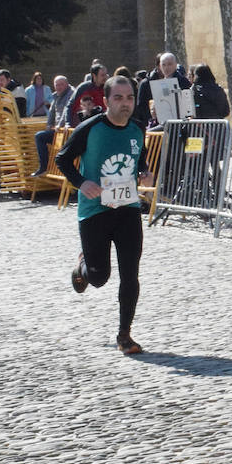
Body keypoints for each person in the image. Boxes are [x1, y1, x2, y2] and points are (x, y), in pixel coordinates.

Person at [55, 75, 153, 356]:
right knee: (99, 278)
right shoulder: (90, 128)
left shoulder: (137, 128)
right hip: (95, 211)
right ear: (106, 100)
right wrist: (81, 182)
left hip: (127, 210)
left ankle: (125, 335)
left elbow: (139, 159)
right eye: (118, 98)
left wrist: (144, 173)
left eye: (130, 98)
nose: (125, 104)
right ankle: (84, 264)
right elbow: (63, 158)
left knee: (131, 274)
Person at [135, 53, 190, 129]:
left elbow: (188, 104)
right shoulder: (157, 83)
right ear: (160, 66)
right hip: (162, 122)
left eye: (169, 64)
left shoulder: (183, 81)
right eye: (163, 65)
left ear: (175, 65)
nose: (167, 68)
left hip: (179, 124)